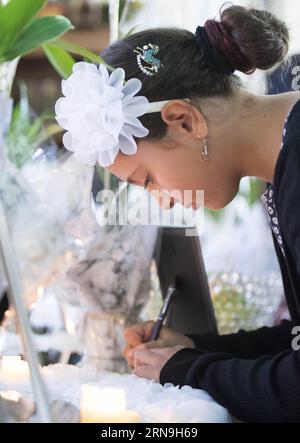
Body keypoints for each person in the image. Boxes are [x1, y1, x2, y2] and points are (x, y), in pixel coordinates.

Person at [56, 4, 300, 422]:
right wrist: (194, 348)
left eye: (147, 179)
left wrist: (190, 371)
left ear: (184, 121)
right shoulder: (282, 164)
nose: (163, 199)